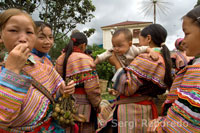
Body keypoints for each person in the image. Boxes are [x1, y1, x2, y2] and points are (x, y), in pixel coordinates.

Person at [0, 8, 75, 132]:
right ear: (1, 35)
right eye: (13, 30)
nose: (23, 38)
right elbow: (3, 117)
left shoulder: (45, 68)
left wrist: (62, 90)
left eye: (29, 32)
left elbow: (52, 96)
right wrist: (12, 70)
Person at [97, 24, 173, 132]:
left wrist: (116, 63)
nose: (138, 45)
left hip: (131, 111)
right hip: (145, 109)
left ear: (148, 38)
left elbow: (127, 88)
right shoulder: (163, 59)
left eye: (140, 40)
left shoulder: (146, 58)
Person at [148, 5, 200, 132]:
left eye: (187, 33)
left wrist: (158, 126)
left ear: (148, 38)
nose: (184, 41)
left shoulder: (196, 73)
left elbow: (183, 123)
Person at [55, 32, 103, 133]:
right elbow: (92, 88)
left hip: (63, 105)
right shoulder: (86, 59)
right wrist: (97, 104)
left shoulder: (60, 58)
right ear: (83, 45)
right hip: (83, 107)